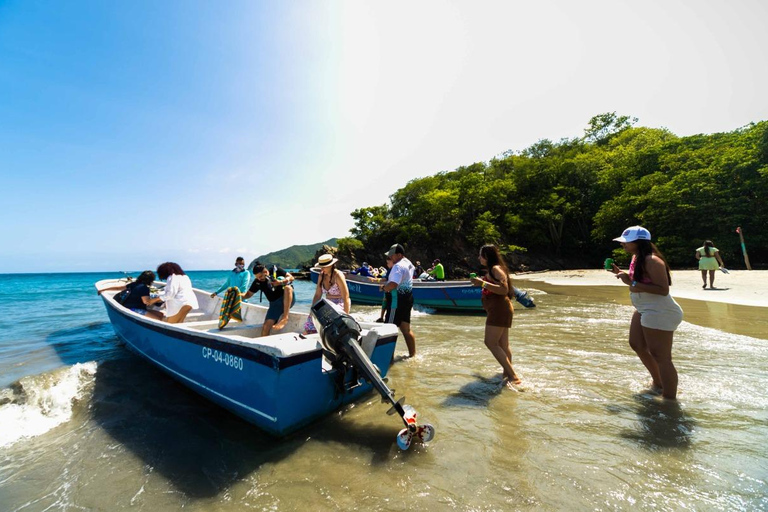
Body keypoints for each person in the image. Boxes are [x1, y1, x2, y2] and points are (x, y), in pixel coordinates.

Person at [610, 225, 683, 400]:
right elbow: (641, 281)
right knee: (636, 344)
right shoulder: (638, 257)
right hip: (645, 308)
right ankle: (658, 384)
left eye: (627, 242)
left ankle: (669, 401)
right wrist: (623, 275)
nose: (623, 245)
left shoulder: (653, 260)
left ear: (639, 242)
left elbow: (662, 289)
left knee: (661, 356)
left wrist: (631, 283)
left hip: (660, 310)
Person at [470, 245, 521, 388]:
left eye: (481, 255)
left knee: (490, 342)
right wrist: (480, 283)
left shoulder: (495, 269)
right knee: (503, 345)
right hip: (500, 309)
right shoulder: (493, 270)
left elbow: (504, 289)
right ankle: (507, 374)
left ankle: (513, 376)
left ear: (487, 256)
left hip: (499, 310)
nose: (479, 258)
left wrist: (483, 283)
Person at [381, 243, 417, 357]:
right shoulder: (408, 263)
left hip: (396, 301)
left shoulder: (398, 266)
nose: (390, 257)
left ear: (399, 255)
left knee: (388, 330)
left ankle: (388, 359)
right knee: (406, 329)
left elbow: (393, 284)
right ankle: (413, 355)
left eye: (392, 255)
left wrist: (383, 288)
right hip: (408, 298)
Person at [243, 264, 295, 336]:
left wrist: (281, 282)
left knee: (288, 287)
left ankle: (285, 318)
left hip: (288, 299)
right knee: (266, 327)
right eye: (257, 277)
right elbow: (247, 295)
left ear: (265, 271)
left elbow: (291, 277)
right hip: (275, 305)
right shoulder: (257, 282)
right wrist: (236, 295)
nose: (259, 279)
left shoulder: (276, 271)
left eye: (261, 276)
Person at [304, 254, 350, 333]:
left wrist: (346, 317)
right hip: (327, 303)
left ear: (331, 265)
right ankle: (308, 334)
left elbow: (346, 297)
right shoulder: (321, 275)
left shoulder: (338, 275)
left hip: (340, 303)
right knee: (313, 318)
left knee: (328, 317)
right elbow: (318, 295)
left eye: (324, 266)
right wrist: (312, 310)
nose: (322, 269)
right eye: (321, 266)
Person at [98, 270, 164, 321]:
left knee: (161, 314)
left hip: (129, 307)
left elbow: (119, 288)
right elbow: (146, 302)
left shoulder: (134, 284)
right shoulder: (144, 288)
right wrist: (159, 299)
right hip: (135, 309)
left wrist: (103, 289)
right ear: (150, 280)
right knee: (158, 318)